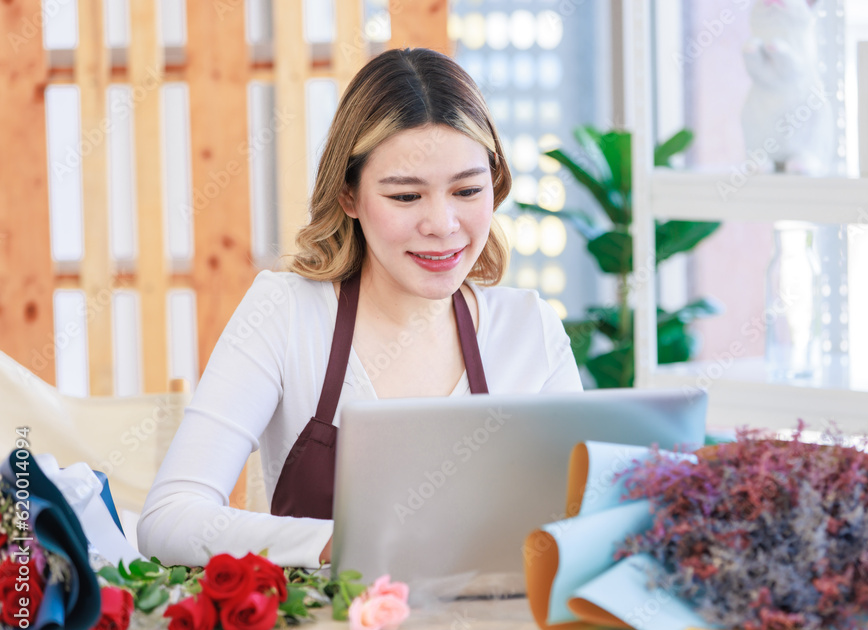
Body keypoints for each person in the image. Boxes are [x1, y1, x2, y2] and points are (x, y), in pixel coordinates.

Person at [137, 48, 583, 569]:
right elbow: (169, 518)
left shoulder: (531, 329)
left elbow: (586, 521)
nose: (442, 224)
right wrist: (352, 546)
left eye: (467, 190)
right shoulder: (286, 314)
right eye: (405, 197)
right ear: (348, 195)